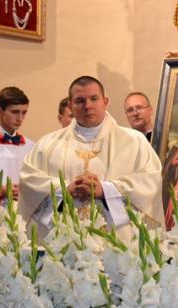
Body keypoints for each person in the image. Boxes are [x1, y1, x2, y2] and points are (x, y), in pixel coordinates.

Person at [19, 76, 163, 236]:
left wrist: (106, 190)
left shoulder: (134, 142)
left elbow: (150, 182)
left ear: (105, 101)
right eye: (80, 101)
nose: (88, 106)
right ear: (70, 105)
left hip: (117, 244)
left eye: (94, 99)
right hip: (64, 242)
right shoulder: (47, 145)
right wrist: (63, 190)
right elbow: (28, 183)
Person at [0, 86, 34, 204]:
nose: (20, 118)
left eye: (24, 113)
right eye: (15, 112)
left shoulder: (30, 146)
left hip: (21, 212)